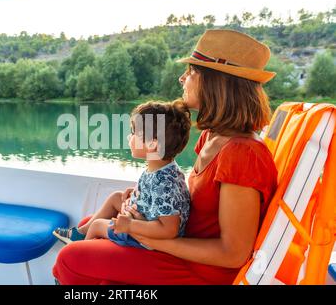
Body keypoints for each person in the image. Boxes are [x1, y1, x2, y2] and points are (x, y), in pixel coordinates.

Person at [52, 29, 279, 285]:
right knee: (89, 224)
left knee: (71, 257)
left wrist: (151, 237)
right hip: (179, 245)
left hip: (202, 271)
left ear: (217, 82)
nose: (182, 78)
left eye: (192, 72)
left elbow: (233, 254)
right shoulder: (212, 137)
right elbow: (190, 202)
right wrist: (146, 206)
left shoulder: (243, 154)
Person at [53, 100, 191, 250]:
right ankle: (80, 233)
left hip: (147, 239)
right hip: (145, 217)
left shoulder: (164, 183)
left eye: (133, 133)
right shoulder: (163, 167)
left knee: (98, 225)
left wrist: (131, 225)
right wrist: (139, 193)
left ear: (152, 143)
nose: (129, 137)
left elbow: (169, 230)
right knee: (116, 198)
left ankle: (78, 251)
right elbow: (160, 199)